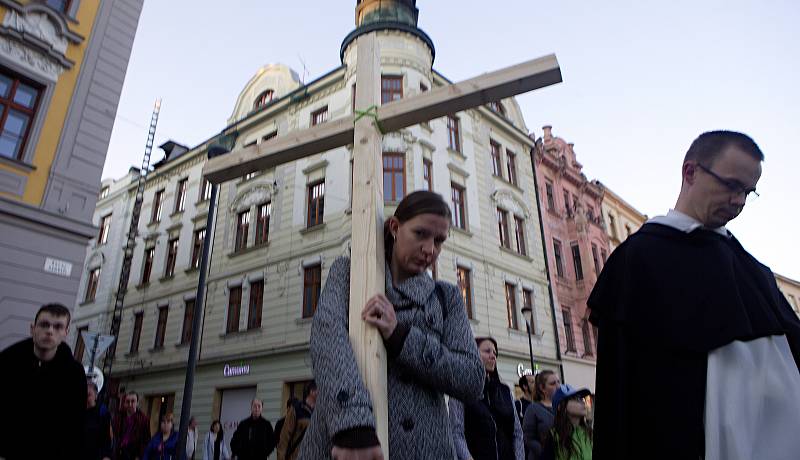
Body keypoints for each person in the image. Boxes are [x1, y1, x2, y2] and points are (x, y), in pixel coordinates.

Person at [588, 130, 800, 459]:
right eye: (731, 185)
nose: (739, 201)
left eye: (748, 191)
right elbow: (621, 392)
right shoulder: (639, 259)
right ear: (690, 172)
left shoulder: (753, 270)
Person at [297, 191, 485, 459]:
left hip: (426, 449)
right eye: (421, 234)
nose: (430, 249)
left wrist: (402, 337)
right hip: (348, 442)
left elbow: (472, 379)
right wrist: (353, 425)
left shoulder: (446, 297)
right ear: (396, 228)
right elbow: (327, 337)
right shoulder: (349, 274)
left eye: (439, 240)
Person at [0, 303, 87, 460]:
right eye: (44, 324)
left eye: (58, 327)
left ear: (66, 333)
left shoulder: (74, 374)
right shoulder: (7, 363)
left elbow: (76, 427)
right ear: (33, 329)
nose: (50, 331)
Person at [450, 337, 524, 460]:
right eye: (487, 351)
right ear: (472, 353)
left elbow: (517, 432)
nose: (493, 356)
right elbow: (456, 432)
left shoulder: (504, 391)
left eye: (495, 353)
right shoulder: (460, 390)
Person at [541, 385, 592, 460]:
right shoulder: (553, 436)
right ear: (561, 406)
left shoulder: (589, 432)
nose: (582, 402)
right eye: (576, 399)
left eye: (582, 399)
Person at [523, 370, 560, 460]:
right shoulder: (533, 409)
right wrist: (544, 452)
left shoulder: (563, 407)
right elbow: (528, 438)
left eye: (558, 382)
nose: (558, 386)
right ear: (542, 388)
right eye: (552, 384)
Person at [277, 381, 318, 460]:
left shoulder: (320, 411)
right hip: (297, 456)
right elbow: (284, 436)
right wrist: (281, 457)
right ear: (312, 392)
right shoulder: (296, 409)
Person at [114, 390, 152, 460]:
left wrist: (139, 456)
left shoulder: (144, 419)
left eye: (133, 401)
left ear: (137, 403)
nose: (130, 404)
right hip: (118, 452)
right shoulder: (119, 416)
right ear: (124, 403)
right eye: (128, 401)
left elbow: (146, 440)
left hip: (133, 454)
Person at [84, 381, 113, 460]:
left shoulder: (103, 413)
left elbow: (107, 439)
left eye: (88, 395)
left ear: (96, 396)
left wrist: (106, 456)